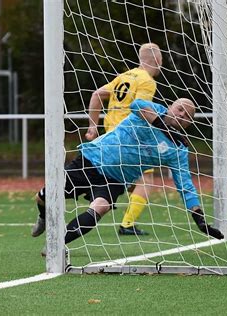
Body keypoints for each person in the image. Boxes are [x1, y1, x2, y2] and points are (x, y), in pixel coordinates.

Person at [31, 98, 224, 250]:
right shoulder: (152, 109)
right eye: (180, 109)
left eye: (188, 115)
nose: (182, 114)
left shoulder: (178, 149)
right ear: (171, 107)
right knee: (43, 197)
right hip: (91, 160)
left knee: (100, 208)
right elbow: (135, 104)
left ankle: (56, 245)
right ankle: (43, 216)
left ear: (189, 123)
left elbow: (185, 185)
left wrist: (200, 220)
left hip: (115, 179)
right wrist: (163, 127)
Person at [85, 43, 162, 236]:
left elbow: (96, 95)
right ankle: (127, 224)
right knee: (146, 179)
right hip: (130, 136)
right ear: (159, 61)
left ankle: (96, 193)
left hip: (111, 134)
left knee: (125, 176)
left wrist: (92, 126)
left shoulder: (125, 76)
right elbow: (140, 109)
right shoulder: (147, 81)